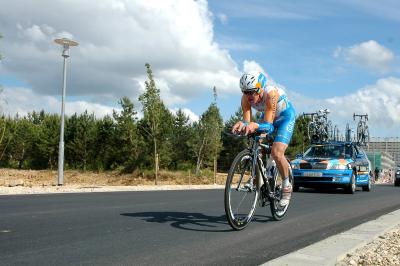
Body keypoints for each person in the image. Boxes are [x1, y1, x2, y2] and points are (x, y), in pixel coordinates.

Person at [232, 71, 296, 206]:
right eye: (245, 92)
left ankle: (286, 185)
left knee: (276, 153)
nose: (249, 96)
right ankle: (258, 177)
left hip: (285, 118)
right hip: (268, 118)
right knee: (255, 142)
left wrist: (254, 125)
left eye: (252, 92)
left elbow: (268, 126)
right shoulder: (245, 99)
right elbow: (247, 121)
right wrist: (242, 125)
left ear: (260, 88)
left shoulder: (270, 94)